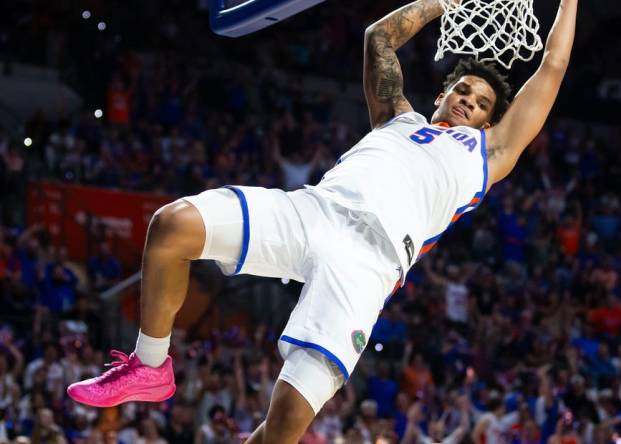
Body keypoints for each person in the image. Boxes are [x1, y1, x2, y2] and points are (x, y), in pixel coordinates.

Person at [66, 0, 578, 442]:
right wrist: (440, 4)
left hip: (368, 264)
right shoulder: (397, 117)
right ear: (441, 95)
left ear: (490, 120)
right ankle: (151, 365)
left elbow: (552, 67)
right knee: (172, 226)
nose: (468, 99)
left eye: (481, 102)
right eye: (462, 90)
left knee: (286, 420)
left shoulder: (490, 152)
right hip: (314, 210)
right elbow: (378, 37)